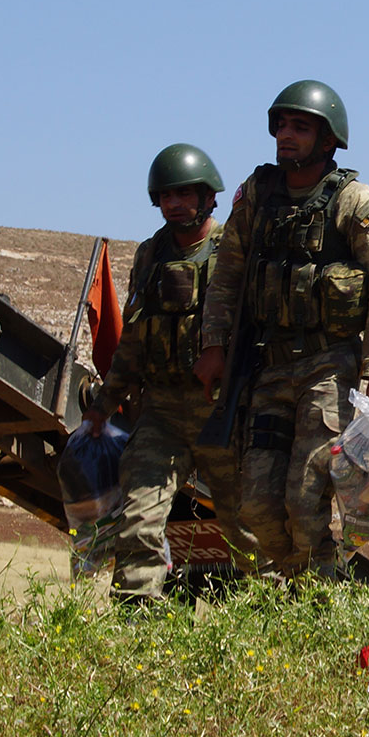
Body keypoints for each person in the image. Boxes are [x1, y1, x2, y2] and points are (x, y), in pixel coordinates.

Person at [195, 80, 369, 579]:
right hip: (268, 369)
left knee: (305, 503)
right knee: (255, 508)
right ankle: (306, 588)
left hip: (328, 370)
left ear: (328, 140)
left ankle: (314, 606)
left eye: (300, 127)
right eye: (281, 125)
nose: (286, 135)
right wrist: (214, 345)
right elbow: (228, 275)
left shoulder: (352, 200)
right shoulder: (258, 194)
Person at [85, 143, 244, 605]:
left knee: (250, 527)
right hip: (162, 414)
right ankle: (140, 625)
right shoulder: (150, 256)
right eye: (166, 195)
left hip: (222, 414)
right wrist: (103, 404)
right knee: (138, 517)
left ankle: (267, 621)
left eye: (184, 193)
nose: (174, 203)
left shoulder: (234, 252)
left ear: (207, 196)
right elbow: (133, 340)